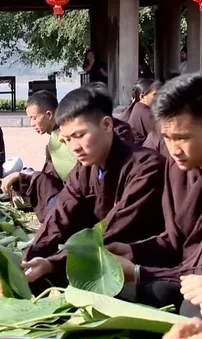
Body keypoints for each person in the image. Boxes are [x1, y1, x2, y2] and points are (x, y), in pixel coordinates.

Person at [21, 84, 166, 290]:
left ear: (107, 125)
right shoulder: (84, 170)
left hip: (137, 259)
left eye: (80, 136)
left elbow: (114, 229)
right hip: (100, 253)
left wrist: (53, 263)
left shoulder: (146, 168)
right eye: (67, 139)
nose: (74, 148)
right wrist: (29, 259)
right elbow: (59, 217)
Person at [107, 73, 202, 317]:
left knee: (189, 307)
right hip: (189, 277)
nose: (174, 149)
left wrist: (139, 271)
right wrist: (134, 252)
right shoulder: (177, 166)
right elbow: (174, 240)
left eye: (182, 138)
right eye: (167, 138)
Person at [1, 90, 74, 223]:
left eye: (34, 118)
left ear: (48, 114)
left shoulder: (69, 136)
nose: (32, 124)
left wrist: (23, 177)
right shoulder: (53, 140)